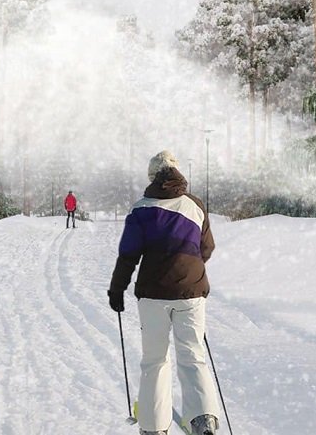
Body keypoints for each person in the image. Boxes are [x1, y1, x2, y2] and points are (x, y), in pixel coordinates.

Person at [108, 150, 219, 435]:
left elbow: (128, 255)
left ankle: (154, 426)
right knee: (193, 355)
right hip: (191, 292)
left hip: (154, 294)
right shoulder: (195, 205)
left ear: (151, 176)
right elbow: (206, 248)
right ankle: (204, 419)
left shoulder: (141, 209)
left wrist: (117, 289)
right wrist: (187, 271)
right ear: (178, 173)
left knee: (155, 360)